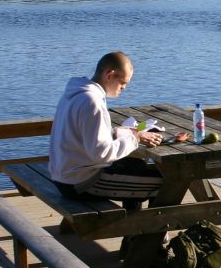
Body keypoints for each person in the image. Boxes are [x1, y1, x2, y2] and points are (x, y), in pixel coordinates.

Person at [48, 51, 184, 207]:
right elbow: (101, 153)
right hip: (81, 183)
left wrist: (132, 133)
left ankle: (135, 228)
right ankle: (151, 231)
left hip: (63, 176)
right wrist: (136, 139)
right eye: (123, 82)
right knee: (168, 184)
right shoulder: (91, 102)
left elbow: (87, 135)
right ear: (109, 74)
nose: (124, 88)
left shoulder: (76, 94)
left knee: (137, 166)